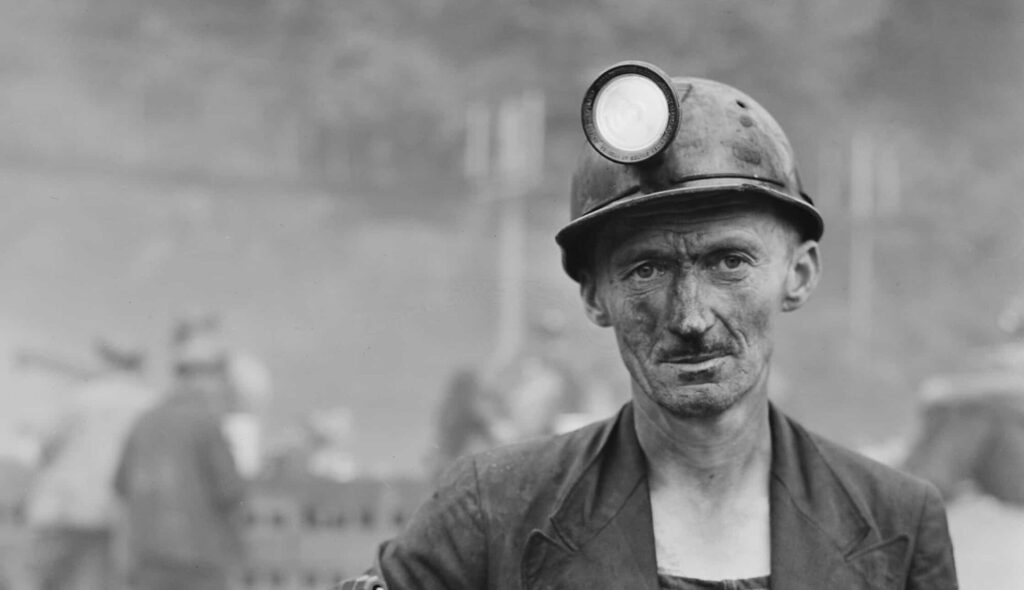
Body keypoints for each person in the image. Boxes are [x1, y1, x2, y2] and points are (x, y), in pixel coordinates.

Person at [343, 61, 958, 589]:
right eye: (646, 269)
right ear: (593, 294)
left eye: (729, 261)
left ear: (798, 274)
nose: (690, 316)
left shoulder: (895, 522)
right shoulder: (492, 508)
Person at [113, 321, 246, 590]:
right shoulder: (205, 424)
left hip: (147, 557)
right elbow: (230, 490)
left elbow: (120, 484)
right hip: (198, 559)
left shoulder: (144, 421)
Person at [25, 336, 156, 590]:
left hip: (64, 509)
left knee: (48, 580)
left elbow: (47, 446)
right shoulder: (150, 402)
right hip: (116, 514)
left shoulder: (81, 397)